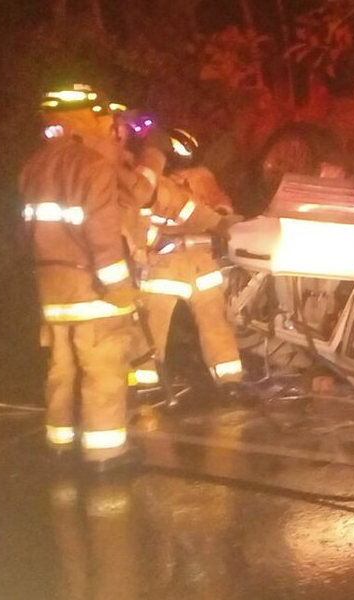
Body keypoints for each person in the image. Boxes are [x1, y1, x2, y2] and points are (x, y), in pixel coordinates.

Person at [20, 82, 138, 471]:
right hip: (91, 288)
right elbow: (102, 233)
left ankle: (59, 444)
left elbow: (26, 232)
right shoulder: (92, 165)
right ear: (91, 120)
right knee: (102, 366)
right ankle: (105, 455)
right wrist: (119, 287)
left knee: (61, 367)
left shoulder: (33, 166)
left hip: (49, 289)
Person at [131, 128, 245, 392]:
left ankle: (145, 384)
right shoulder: (187, 181)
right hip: (192, 266)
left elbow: (213, 206)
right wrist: (222, 221)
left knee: (153, 327)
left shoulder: (157, 183)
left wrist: (221, 217)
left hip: (170, 268)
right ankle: (229, 381)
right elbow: (201, 211)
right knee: (212, 324)